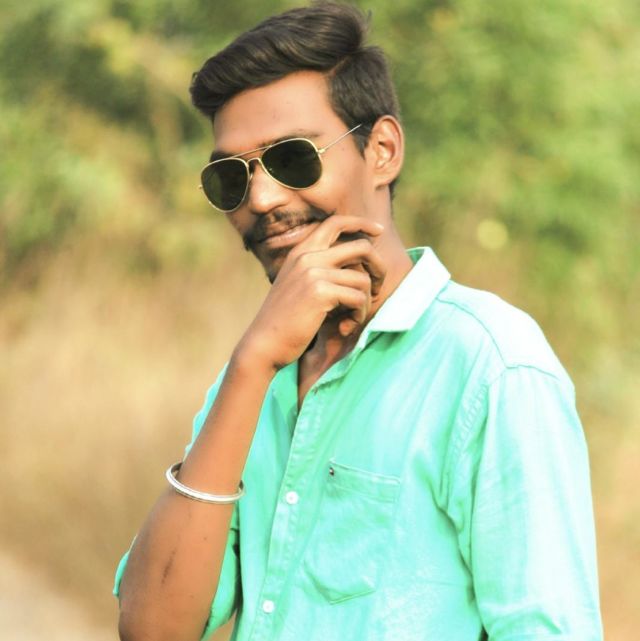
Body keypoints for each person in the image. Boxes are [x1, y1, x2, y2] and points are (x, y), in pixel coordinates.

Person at [114, 3, 603, 640]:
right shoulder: (256, 378)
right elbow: (152, 630)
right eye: (231, 177)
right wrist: (253, 364)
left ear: (382, 151)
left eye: (292, 158)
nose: (262, 199)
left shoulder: (491, 366)